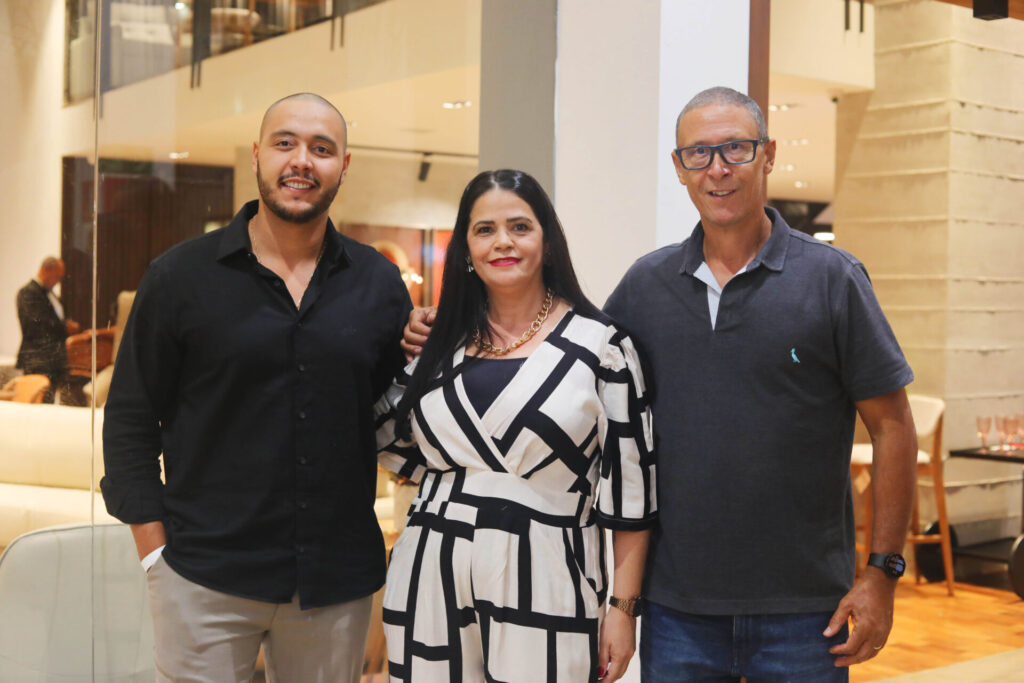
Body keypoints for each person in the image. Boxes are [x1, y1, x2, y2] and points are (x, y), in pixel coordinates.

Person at [404, 88, 918, 681]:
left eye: (736, 148)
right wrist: (445, 326)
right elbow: (562, 356)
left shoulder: (832, 279)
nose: (718, 168)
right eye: (699, 153)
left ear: (769, 155)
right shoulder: (646, 286)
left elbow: (893, 427)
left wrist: (882, 572)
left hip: (805, 609)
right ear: (679, 167)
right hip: (676, 610)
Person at [101, 92, 412, 683]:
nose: (302, 161)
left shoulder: (377, 283)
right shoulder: (178, 278)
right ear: (256, 155)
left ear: (344, 166)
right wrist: (154, 553)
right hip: (202, 576)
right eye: (285, 143)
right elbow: (130, 421)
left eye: (322, 148)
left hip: (334, 583)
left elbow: (391, 414)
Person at [376, 169, 657, 682]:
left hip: (550, 566)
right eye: (484, 230)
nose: (502, 241)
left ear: (547, 243)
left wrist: (623, 608)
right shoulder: (437, 344)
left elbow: (631, 495)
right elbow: (384, 432)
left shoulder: (602, 348)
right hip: (431, 564)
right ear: (466, 249)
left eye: (519, 227)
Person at [15, 257, 80, 403]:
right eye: (57, 276)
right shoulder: (28, 293)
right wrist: (64, 327)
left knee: (50, 402)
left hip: (54, 359)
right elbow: (35, 325)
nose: (58, 281)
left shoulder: (50, 295)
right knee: (37, 404)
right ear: (45, 270)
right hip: (38, 359)